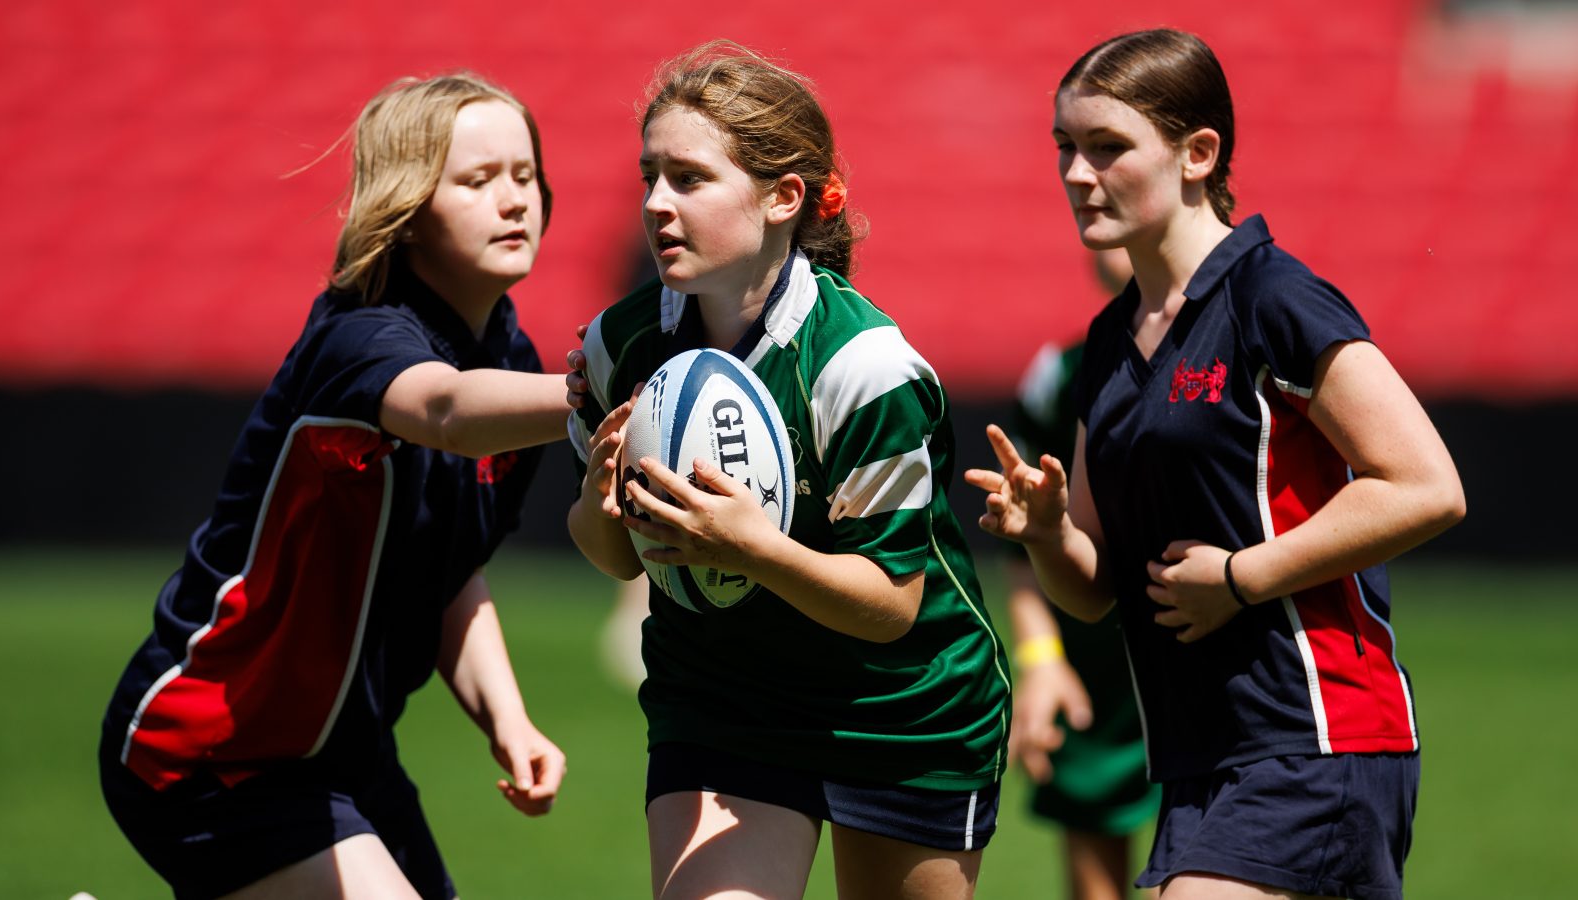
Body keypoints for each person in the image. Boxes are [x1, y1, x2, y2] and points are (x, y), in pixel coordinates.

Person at [966, 29, 1465, 900]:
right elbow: (1097, 588)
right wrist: (1047, 537)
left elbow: (1427, 486)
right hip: (1197, 763)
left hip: (1318, 737)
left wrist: (1240, 575)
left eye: (1108, 148)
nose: (1077, 174)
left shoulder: (1274, 297)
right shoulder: (1109, 340)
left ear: (1199, 153)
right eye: (1066, 148)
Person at [99, 73, 572, 900]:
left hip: (341, 754)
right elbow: (448, 411)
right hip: (215, 744)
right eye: (477, 180)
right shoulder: (358, 339)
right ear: (410, 205)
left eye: (525, 176)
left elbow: (450, 572)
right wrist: (617, 391)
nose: (513, 202)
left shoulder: (512, 362)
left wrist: (509, 718)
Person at [566, 41, 1011, 900]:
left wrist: (753, 547)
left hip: (898, 711)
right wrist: (598, 504)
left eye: (689, 179)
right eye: (649, 175)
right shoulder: (620, 346)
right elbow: (615, 555)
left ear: (783, 198)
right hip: (723, 696)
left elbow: (890, 608)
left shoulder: (864, 368)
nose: (656, 203)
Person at [1006, 249, 1160, 900]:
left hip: (1208, 668)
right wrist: (1041, 659)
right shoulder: (1058, 378)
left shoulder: (1233, 357)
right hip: (1094, 682)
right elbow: (1023, 552)